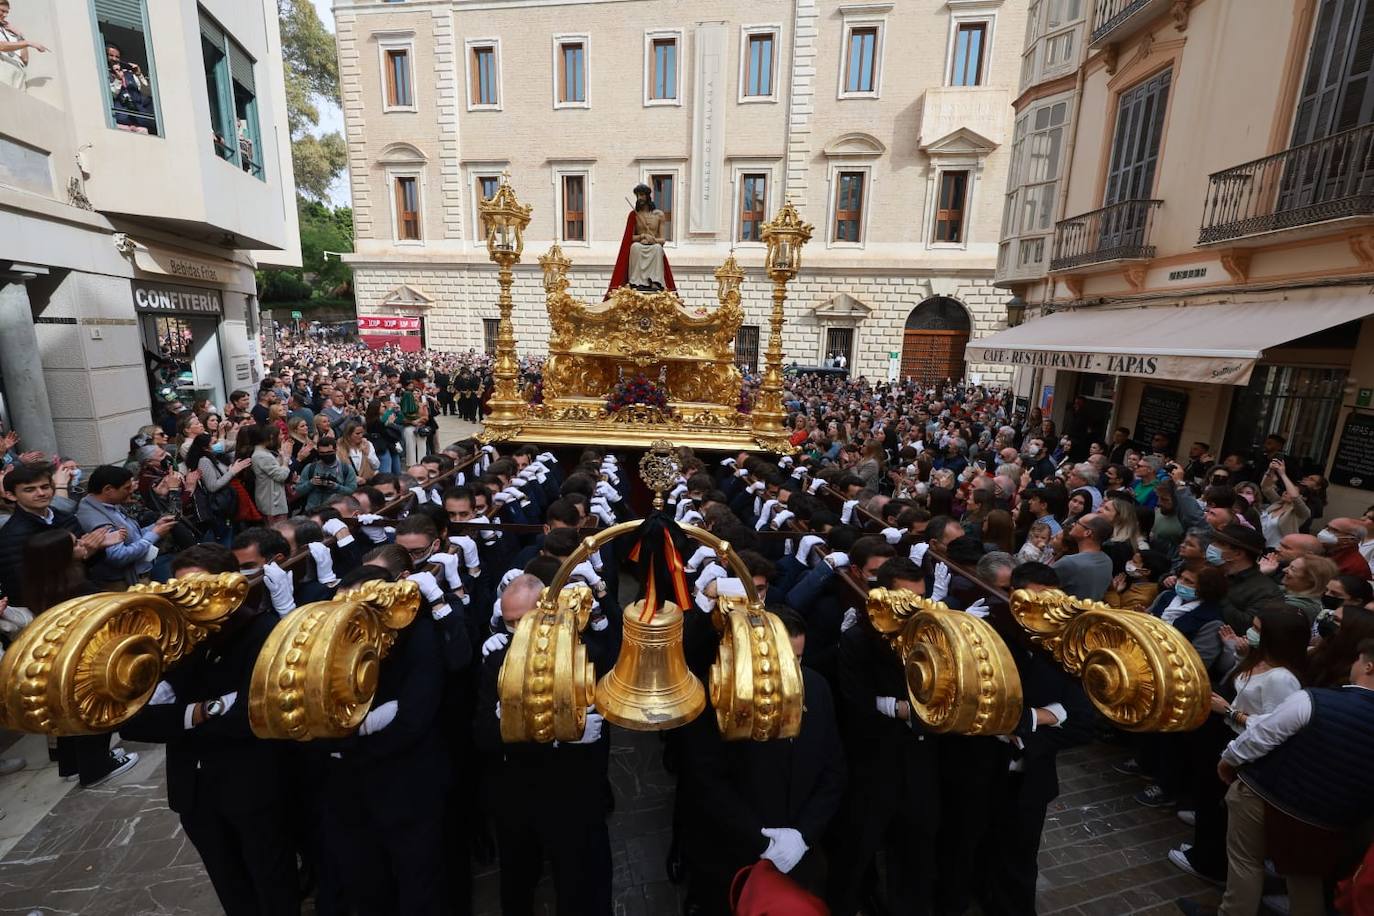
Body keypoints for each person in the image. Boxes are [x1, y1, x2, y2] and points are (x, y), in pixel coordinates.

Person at [119, 543, 300, 914]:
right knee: (228, 882)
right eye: (180, 588)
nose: (188, 598)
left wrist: (179, 719)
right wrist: (200, 713)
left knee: (272, 881)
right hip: (194, 791)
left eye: (199, 588)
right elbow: (134, 720)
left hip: (252, 786)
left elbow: (250, 716)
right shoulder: (170, 642)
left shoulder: (262, 632)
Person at [1177, 639, 1374, 916]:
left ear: (1368, 666)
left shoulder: (1315, 699)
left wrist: (1228, 760)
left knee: (1245, 862)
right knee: (1305, 881)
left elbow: (1263, 735)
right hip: (1330, 819)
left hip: (1270, 796)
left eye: (1357, 660)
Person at [678, 606, 846, 915]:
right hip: (736, 855)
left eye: (798, 659)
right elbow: (706, 782)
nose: (794, 671)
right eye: (785, 660)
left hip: (800, 854)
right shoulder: (718, 696)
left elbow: (833, 770)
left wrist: (803, 835)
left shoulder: (818, 688)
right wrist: (762, 841)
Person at [19, 529, 140, 788]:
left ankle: (72, 765)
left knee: (67, 713)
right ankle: (97, 768)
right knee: (92, 710)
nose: (83, 543)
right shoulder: (77, 588)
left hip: (57, 660)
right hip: (84, 660)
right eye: (75, 543)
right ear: (62, 556)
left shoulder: (39, 584)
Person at [76, 465, 180, 587]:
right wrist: (154, 534)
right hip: (122, 584)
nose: (131, 491)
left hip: (139, 575)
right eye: (127, 488)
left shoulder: (109, 505)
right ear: (108, 489)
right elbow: (119, 556)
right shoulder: (95, 518)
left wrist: (154, 527)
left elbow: (132, 536)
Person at [1209, 524, 1283, 632]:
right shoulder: (1212, 571)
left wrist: (1219, 595)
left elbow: (1248, 626)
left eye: (1220, 544)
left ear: (1238, 554)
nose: (1212, 546)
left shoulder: (1266, 592)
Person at [606, 183, 674, 296]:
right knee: (635, 247)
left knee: (657, 249)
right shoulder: (634, 215)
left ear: (648, 196)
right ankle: (636, 282)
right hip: (640, 244)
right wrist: (642, 236)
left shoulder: (659, 215)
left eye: (642, 195)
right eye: (637, 196)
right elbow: (629, 238)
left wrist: (653, 240)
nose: (639, 198)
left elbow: (662, 240)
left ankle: (655, 282)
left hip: (654, 245)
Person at [1052, 514, 1113, 601]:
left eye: (1077, 523)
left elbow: (1034, 587)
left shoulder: (1070, 563)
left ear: (1087, 533)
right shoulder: (1107, 561)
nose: (1073, 524)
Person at [0, 0, 47, 90]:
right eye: (2, 11)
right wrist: (28, 43)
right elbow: (1, 46)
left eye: (7, 12)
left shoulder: (9, 31)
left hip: (18, 76)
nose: (5, 15)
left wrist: (20, 36)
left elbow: (25, 60)